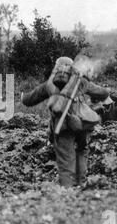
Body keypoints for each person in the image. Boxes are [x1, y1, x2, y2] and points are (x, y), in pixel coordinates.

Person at [21, 57, 109, 188]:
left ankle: (67, 193)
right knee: (81, 150)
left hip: (62, 126)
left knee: (65, 162)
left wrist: (23, 96)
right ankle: (80, 184)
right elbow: (103, 93)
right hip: (81, 124)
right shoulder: (80, 80)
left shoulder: (49, 84)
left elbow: (28, 100)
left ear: (56, 68)